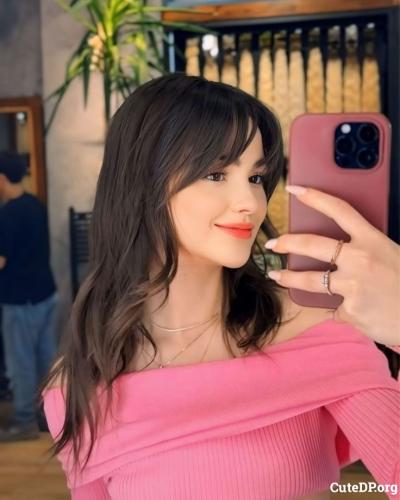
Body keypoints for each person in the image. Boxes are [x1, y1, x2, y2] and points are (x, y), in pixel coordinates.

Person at [42, 74, 399, 499]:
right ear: (142, 181)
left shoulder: (318, 332)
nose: (250, 202)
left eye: (256, 177)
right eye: (216, 174)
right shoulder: (81, 381)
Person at [0, 152, 59, 442]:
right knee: (46, 360)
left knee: (20, 363)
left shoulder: (8, 215)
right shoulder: (36, 205)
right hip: (46, 294)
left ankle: (24, 421)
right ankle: (50, 417)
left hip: (20, 301)